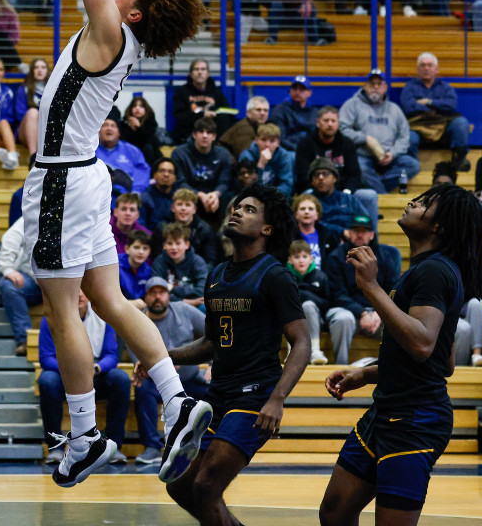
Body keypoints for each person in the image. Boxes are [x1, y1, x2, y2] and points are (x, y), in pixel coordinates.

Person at [22, 0, 209, 487]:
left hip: (62, 182)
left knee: (62, 305)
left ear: (130, 13)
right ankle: (179, 398)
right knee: (108, 299)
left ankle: (83, 434)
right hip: (87, 178)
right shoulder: (118, 30)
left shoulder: (107, 29)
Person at [320, 184, 482, 524]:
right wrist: (366, 374)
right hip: (387, 411)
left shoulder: (434, 271)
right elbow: (445, 362)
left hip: (415, 420)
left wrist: (370, 287)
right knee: (335, 513)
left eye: (424, 203)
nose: (413, 202)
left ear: (439, 226)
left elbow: (422, 344)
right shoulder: (426, 269)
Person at [153, 183, 310, 526]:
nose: (237, 211)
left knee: (207, 486)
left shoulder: (275, 276)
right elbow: (210, 344)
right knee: (180, 486)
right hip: (219, 395)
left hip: (255, 398)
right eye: (237, 207)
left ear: (267, 228)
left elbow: (302, 343)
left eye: (249, 209)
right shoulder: (217, 275)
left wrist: (278, 399)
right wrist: (164, 358)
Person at [38, 290, 132, 466]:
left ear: (88, 295)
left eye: (83, 292)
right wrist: (71, 370)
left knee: (120, 379)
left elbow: (111, 355)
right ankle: (56, 448)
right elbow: (45, 357)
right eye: (76, 291)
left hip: (94, 373)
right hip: (64, 374)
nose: (80, 295)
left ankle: (113, 445)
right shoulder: (52, 317)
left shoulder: (103, 317)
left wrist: (96, 368)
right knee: (46, 381)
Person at [130, 276, 209, 466]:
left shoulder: (184, 311)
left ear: (168, 295)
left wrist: (213, 364)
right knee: (142, 389)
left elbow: (213, 334)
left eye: (162, 292)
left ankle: (209, 447)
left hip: (190, 380)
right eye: (153, 293)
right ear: (146, 297)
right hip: (158, 383)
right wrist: (159, 366)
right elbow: (137, 358)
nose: (158, 297)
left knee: (217, 389)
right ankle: (152, 447)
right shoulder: (137, 321)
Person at [323, 214, 402, 365]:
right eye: (356, 230)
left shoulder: (386, 256)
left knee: (398, 323)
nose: (360, 234)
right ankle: (341, 367)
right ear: (349, 233)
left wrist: (379, 312)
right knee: (342, 319)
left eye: (364, 231)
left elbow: (392, 290)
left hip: (378, 313)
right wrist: (363, 312)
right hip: (348, 311)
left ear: (372, 234)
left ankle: (391, 368)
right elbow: (337, 294)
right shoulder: (336, 256)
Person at [339, 70, 420, 194]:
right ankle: (383, 195)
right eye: (372, 84)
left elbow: (404, 136)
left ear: (385, 87)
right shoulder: (352, 105)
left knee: (413, 165)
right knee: (359, 168)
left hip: (390, 156)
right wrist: (363, 138)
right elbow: (342, 129)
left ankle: (377, 187)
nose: (375, 87)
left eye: (379, 84)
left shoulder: (394, 109)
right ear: (365, 86)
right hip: (363, 155)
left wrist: (393, 153)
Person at [400, 53, 472, 170]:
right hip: (418, 127)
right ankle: (412, 166)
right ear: (418, 70)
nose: (426, 68)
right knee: (409, 138)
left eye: (429, 65)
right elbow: (408, 107)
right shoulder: (409, 87)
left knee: (461, 123)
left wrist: (428, 102)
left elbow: (451, 105)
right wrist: (438, 108)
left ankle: (459, 159)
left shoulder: (445, 87)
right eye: (423, 65)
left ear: (436, 69)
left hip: (442, 126)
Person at [0, 216, 43, 356]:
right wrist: (7, 269)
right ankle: (25, 340)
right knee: (7, 282)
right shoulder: (37, 211)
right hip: (34, 279)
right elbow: (12, 236)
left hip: (65, 284)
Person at [171, 117, 235, 227]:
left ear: (214, 136)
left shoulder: (224, 154)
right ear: (194, 135)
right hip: (189, 194)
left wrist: (215, 194)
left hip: (214, 197)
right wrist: (199, 195)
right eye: (201, 132)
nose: (205, 136)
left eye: (209, 132)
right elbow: (180, 182)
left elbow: (224, 182)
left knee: (228, 196)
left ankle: (224, 234)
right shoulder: (179, 153)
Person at [289, 239, 331, 365]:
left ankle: (315, 350)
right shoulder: (285, 277)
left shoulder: (321, 277)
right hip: (293, 318)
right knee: (290, 306)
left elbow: (327, 303)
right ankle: (292, 350)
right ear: (290, 260)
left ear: (311, 259)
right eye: (297, 257)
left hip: (317, 318)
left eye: (304, 256)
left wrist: (306, 295)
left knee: (308, 305)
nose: (301, 260)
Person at [173, 59, 231, 143]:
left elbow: (225, 111)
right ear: (191, 74)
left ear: (208, 74)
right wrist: (202, 115)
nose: (200, 72)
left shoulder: (216, 92)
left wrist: (215, 115)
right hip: (190, 133)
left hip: (213, 132)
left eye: (203, 69)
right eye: (196, 69)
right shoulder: (182, 92)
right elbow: (179, 117)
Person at [153, 189, 217, 266]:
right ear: (173, 208)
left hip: (197, 271)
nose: (183, 208)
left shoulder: (204, 229)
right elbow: (157, 257)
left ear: (194, 210)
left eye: (187, 205)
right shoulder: (162, 228)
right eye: (179, 204)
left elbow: (210, 261)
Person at [97, 111, 151, 194]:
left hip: (127, 197)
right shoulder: (91, 151)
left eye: (113, 126)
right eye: (105, 125)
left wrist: (135, 194)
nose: (109, 128)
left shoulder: (132, 151)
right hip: (98, 195)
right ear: (98, 132)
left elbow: (142, 173)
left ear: (119, 133)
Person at [238, 123, 294, 198]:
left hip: (274, 197)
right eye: (263, 140)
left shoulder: (284, 156)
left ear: (278, 143)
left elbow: (287, 185)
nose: (267, 144)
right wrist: (260, 165)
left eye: (272, 141)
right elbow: (247, 185)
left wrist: (268, 196)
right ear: (257, 140)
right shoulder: (247, 155)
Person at [270, 77, 317, 151]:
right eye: (295, 89)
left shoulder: (315, 113)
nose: (298, 92)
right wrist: (299, 150)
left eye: (302, 89)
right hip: (287, 151)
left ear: (309, 93)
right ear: (290, 91)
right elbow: (279, 138)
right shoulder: (280, 111)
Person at [14, 57, 49, 153]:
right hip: (27, 131)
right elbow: (20, 115)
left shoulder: (53, 91)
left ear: (47, 71)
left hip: (47, 131)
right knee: (32, 112)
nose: (40, 70)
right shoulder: (23, 89)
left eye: (43, 67)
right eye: (36, 67)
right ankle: (33, 158)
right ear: (32, 71)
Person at [141, 159, 184, 233]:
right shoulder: (145, 198)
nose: (166, 174)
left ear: (175, 178)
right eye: (162, 171)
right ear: (155, 175)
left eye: (170, 172)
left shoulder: (180, 198)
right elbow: (141, 226)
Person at [119, 95, 164, 166]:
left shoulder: (151, 123)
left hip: (148, 156)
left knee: (148, 148)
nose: (137, 108)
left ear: (146, 109)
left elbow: (149, 142)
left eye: (141, 106)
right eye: (134, 106)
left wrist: (139, 128)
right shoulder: (124, 124)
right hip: (129, 155)